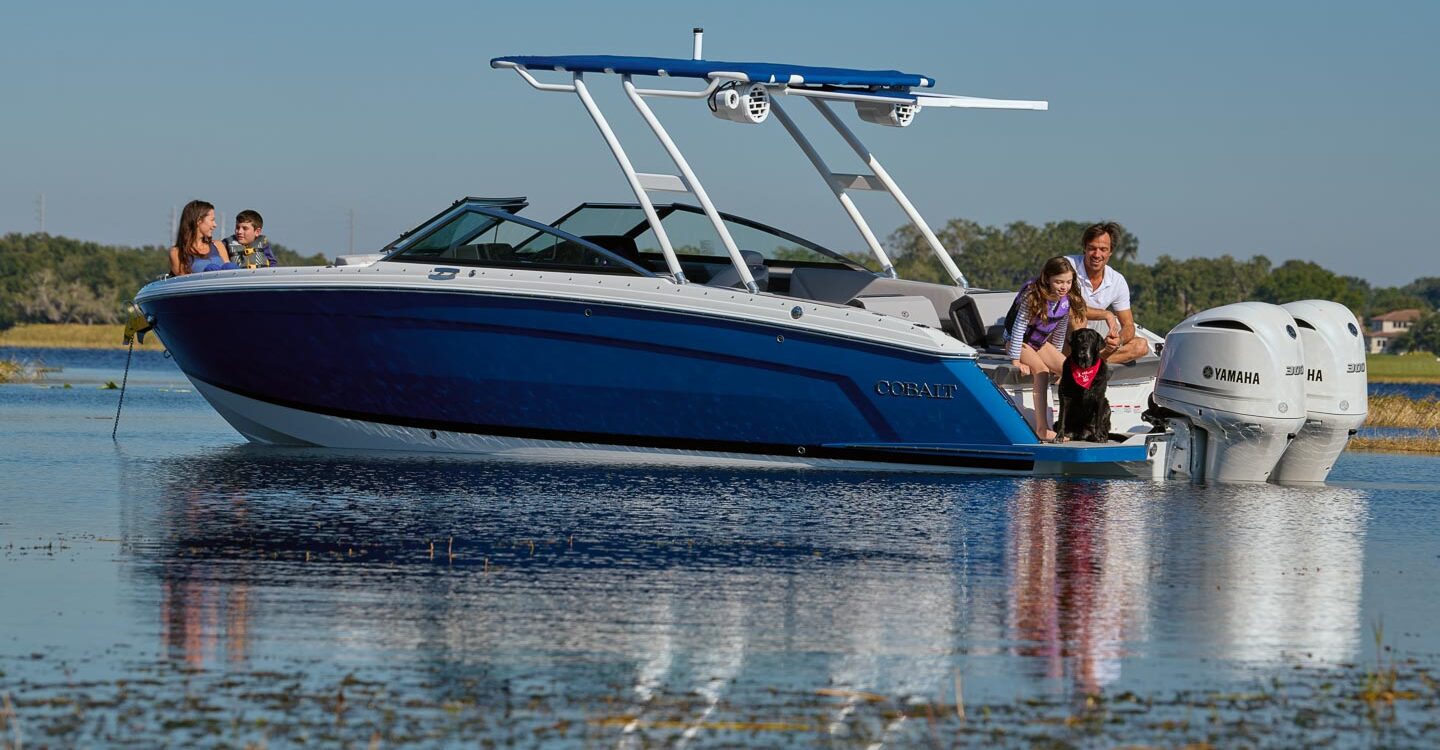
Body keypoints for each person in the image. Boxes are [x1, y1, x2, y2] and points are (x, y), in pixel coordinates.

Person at [1007, 255, 1087, 440]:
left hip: (1039, 343)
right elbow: (1018, 328)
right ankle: (1042, 429)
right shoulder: (1032, 297)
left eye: (1068, 282)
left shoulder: (1065, 301)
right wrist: (1016, 360)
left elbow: (1059, 332)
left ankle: (1074, 425)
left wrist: (1057, 364)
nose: (1064, 287)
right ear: (1047, 279)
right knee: (1042, 371)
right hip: (1018, 342)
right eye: (1059, 282)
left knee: (1073, 371)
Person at [1066, 222, 1150, 364]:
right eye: (1092, 248)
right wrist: (1106, 314)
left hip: (1094, 341)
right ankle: (1079, 363)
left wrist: (1118, 340)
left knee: (1141, 346)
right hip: (1063, 337)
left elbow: (1128, 325)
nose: (1097, 254)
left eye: (1103, 249)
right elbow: (1065, 308)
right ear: (1084, 248)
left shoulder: (1117, 280)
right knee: (1079, 319)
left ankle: (1090, 362)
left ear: (1110, 251)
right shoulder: (1067, 266)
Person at [168, 200, 236, 276]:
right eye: (212, 220)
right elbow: (184, 280)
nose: (215, 225)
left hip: (226, 282)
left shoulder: (218, 245)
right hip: (201, 283)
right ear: (199, 221)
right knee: (211, 269)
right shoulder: (176, 253)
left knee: (230, 266)